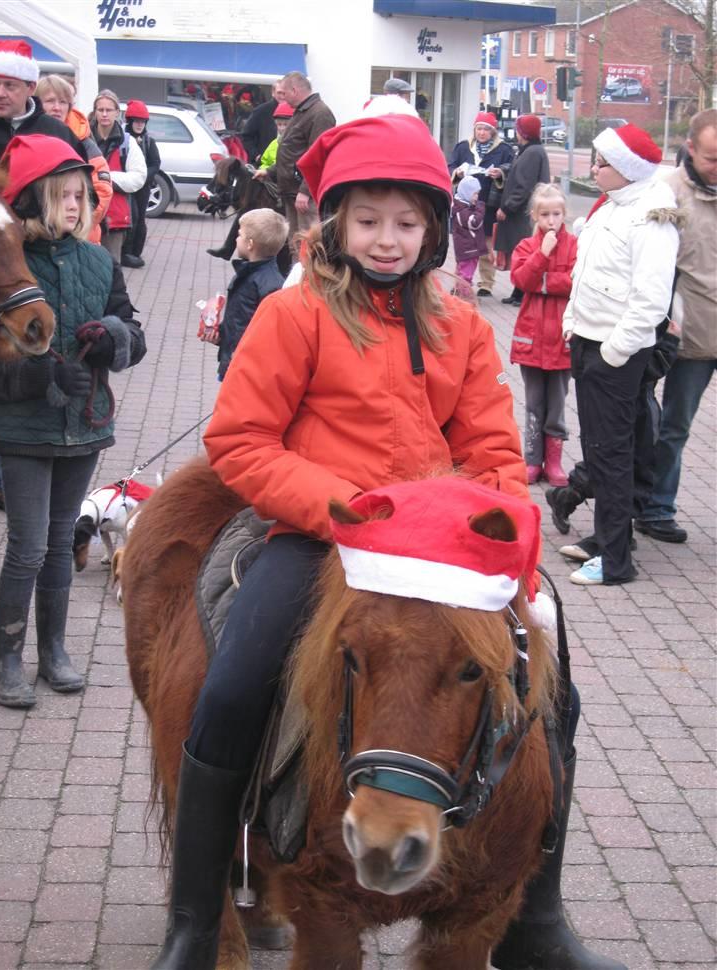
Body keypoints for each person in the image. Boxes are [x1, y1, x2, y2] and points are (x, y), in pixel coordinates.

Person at [149, 113, 624, 970]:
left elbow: (488, 451)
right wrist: (347, 509)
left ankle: (535, 922)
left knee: (555, 689)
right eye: (367, 220)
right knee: (230, 685)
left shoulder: (463, 328)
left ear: (434, 230)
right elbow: (241, 441)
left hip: (442, 549)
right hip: (316, 533)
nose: (387, 240)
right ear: (334, 223)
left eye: (407, 223)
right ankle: (195, 918)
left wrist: (504, 536)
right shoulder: (294, 317)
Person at [0, 134, 147, 709]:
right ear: (29, 201)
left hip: (84, 426)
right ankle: (5, 654)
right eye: (64, 195)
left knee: (60, 542)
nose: (78, 206)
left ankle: (53, 649)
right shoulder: (6, 259)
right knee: (28, 546)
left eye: (83, 195)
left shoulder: (98, 260)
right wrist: (43, 379)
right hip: (23, 428)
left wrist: (112, 340)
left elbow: (135, 332)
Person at [552, 124, 679, 586]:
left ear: (626, 170)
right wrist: (572, 324)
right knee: (601, 448)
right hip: (588, 341)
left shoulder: (651, 216)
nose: (594, 169)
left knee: (612, 453)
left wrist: (613, 351)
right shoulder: (611, 207)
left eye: (602, 163)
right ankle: (608, 538)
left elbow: (650, 299)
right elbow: (584, 274)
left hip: (614, 353)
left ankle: (615, 561)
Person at [633, 108, 717, 545]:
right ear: (690, 149)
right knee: (673, 426)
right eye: (712, 159)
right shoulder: (667, 194)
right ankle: (656, 507)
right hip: (690, 336)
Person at [509, 183, 577, 486]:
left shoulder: (575, 245)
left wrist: (545, 282)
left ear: (564, 214)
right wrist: (542, 254)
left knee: (557, 403)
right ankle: (532, 459)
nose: (552, 220)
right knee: (534, 402)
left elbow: (577, 280)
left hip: (562, 339)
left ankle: (555, 461)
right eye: (545, 214)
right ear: (535, 216)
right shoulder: (525, 246)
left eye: (557, 214)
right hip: (532, 339)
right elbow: (522, 279)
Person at [253, 71, 335, 256]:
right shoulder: (302, 111)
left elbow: (320, 155)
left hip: (304, 195)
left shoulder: (320, 113)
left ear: (295, 90)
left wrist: (305, 191)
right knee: (296, 245)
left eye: (283, 93)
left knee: (308, 246)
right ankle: (297, 282)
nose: (281, 98)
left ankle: (308, 283)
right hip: (293, 191)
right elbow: (292, 152)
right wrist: (270, 171)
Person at [35, 73, 112, 245]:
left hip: (80, 241)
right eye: (50, 101)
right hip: (36, 240)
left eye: (63, 102)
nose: (57, 107)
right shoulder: (24, 138)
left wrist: (73, 225)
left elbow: (103, 191)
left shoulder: (83, 143)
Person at [215, 207, 288, 380]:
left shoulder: (269, 285)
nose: (236, 238)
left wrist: (240, 358)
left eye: (239, 235)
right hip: (234, 363)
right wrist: (220, 335)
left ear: (250, 244)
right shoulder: (249, 274)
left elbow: (267, 335)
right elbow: (239, 321)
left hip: (246, 370)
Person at [448, 111, 515, 297]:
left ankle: (486, 283)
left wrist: (500, 172)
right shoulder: (463, 147)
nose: (482, 133)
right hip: (464, 204)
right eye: (479, 128)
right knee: (463, 244)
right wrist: (457, 173)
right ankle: (460, 281)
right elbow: (451, 166)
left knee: (486, 243)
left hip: (488, 202)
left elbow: (512, 168)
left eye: (486, 129)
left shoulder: (504, 150)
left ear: (492, 132)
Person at [0, 39, 87, 164]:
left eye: (9, 86)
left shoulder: (57, 132)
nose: (0, 93)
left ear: (31, 88)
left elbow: (79, 180)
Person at [493, 114, 550, 307]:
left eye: (518, 130)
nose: (516, 133)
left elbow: (524, 185)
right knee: (522, 253)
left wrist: (507, 207)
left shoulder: (532, 152)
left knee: (524, 252)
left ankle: (524, 293)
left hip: (523, 213)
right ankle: (518, 291)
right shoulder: (529, 150)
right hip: (523, 212)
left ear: (523, 132)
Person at [90, 89, 147, 263]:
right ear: (95, 112)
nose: (105, 114)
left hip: (114, 218)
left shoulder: (127, 142)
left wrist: (106, 178)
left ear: (117, 112)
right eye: (101, 110)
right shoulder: (84, 138)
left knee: (110, 269)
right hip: (86, 215)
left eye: (109, 110)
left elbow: (138, 177)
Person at [121, 100, 161, 269]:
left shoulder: (149, 142)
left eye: (142, 121)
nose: (139, 125)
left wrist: (143, 177)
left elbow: (155, 163)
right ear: (129, 121)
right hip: (125, 185)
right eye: (136, 121)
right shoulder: (122, 139)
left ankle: (135, 252)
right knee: (130, 217)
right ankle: (125, 251)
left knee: (139, 218)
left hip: (143, 187)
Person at [451, 175, 487, 299]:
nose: (477, 197)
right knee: (466, 273)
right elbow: (474, 222)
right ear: (467, 193)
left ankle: (457, 291)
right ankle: (464, 296)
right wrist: (480, 209)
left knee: (461, 270)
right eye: (475, 194)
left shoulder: (462, 207)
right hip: (468, 249)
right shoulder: (462, 210)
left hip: (466, 248)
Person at [240, 79, 285, 164]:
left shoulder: (295, 110)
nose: (282, 96)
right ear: (273, 93)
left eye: (284, 93)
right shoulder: (261, 111)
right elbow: (246, 136)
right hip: (264, 164)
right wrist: (256, 155)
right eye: (279, 93)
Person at [258, 100, 294, 170]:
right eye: (279, 124)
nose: (282, 128)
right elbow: (264, 162)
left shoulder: (298, 144)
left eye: (286, 124)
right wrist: (263, 171)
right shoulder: (274, 144)